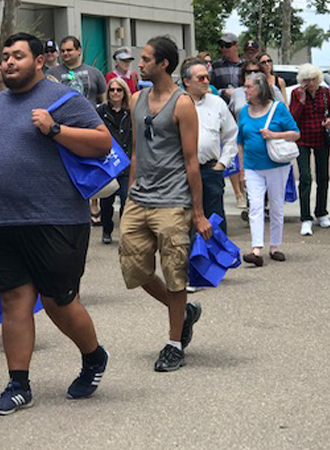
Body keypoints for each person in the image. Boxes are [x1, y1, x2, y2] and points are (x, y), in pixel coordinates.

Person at [0, 32, 112, 414]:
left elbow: (103, 143)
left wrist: (55, 129)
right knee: (14, 300)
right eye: (5, 56)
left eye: (18, 56)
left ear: (39, 61)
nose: (9, 62)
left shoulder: (64, 98)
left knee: (59, 302)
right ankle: (18, 384)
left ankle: (93, 356)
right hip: (3, 220)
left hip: (56, 218)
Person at [120, 36, 210, 372]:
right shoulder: (135, 99)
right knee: (135, 269)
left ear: (163, 65)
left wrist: (198, 214)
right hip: (139, 198)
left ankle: (174, 343)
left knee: (175, 274)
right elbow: (134, 151)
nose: (139, 64)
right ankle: (184, 312)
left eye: (145, 59)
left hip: (173, 201)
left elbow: (191, 161)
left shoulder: (183, 104)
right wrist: (129, 195)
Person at [237, 73, 300, 267]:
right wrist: (241, 170)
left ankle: (275, 245)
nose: (245, 90)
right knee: (255, 207)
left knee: (276, 205)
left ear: (260, 88)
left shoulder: (278, 109)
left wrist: (274, 134)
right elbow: (240, 143)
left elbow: (296, 134)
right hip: (252, 167)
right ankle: (256, 249)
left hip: (276, 166)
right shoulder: (243, 111)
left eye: (249, 87)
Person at [181, 58, 238, 235]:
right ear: (186, 81)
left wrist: (221, 164)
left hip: (210, 172)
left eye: (207, 77)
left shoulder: (217, 103)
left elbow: (231, 136)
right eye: (201, 78)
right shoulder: (176, 104)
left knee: (215, 228)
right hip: (181, 174)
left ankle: (217, 262)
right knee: (184, 227)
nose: (206, 81)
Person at [290, 64, 330, 236]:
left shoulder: (324, 93)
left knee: (323, 176)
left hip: (321, 139)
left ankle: (321, 212)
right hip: (302, 139)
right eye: (305, 80)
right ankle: (305, 218)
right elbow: (292, 116)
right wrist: (301, 101)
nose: (308, 83)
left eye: (311, 80)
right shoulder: (296, 93)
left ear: (317, 79)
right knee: (305, 177)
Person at [96, 76, 133, 244]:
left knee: (127, 200)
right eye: (112, 90)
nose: (115, 93)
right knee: (106, 202)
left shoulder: (131, 111)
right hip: (108, 163)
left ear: (124, 92)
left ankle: (126, 232)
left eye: (119, 89)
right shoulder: (100, 111)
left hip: (126, 163)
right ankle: (107, 229)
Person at [227, 61, 262, 210]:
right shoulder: (237, 93)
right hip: (240, 137)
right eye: (248, 71)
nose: (252, 74)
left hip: (259, 138)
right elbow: (231, 112)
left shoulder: (268, 90)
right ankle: (242, 196)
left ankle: (259, 203)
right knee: (240, 170)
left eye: (255, 71)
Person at [47, 36, 107, 106]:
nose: (65, 53)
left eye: (69, 50)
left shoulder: (95, 73)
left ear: (79, 51)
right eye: (63, 51)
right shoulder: (51, 73)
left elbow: (104, 99)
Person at [209, 32, 242, 103]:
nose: (224, 49)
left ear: (236, 46)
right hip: (222, 105)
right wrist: (223, 92)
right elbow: (210, 88)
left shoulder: (245, 65)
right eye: (221, 46)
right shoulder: (216, 66)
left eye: (227, 45)